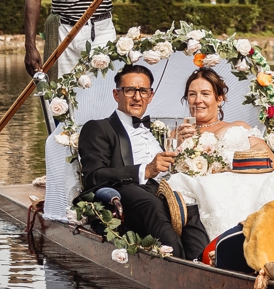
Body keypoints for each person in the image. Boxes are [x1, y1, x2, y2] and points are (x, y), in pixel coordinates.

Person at [164, 67, 274, 238]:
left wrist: (231, 159)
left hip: (247, 183)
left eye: (205, 94)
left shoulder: (238, 126)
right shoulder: (177, 133)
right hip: (210, 190)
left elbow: (270, 159)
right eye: (192, 94)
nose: (198, 100)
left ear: (219, 98)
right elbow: (169, 169)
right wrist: (181, 144)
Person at [76, 64, 209, 259]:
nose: (137, 97)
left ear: (150, 95)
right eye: (130, 90)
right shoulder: (98, 128)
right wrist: (145, 171)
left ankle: (202, 263)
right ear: (116, 94)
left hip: (164, 188)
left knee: (190, 202)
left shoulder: (154, 130)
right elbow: (93, 177)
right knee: (151, 204)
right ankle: (180, 267)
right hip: (127, 190)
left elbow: (166, 165)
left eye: (143, 91)